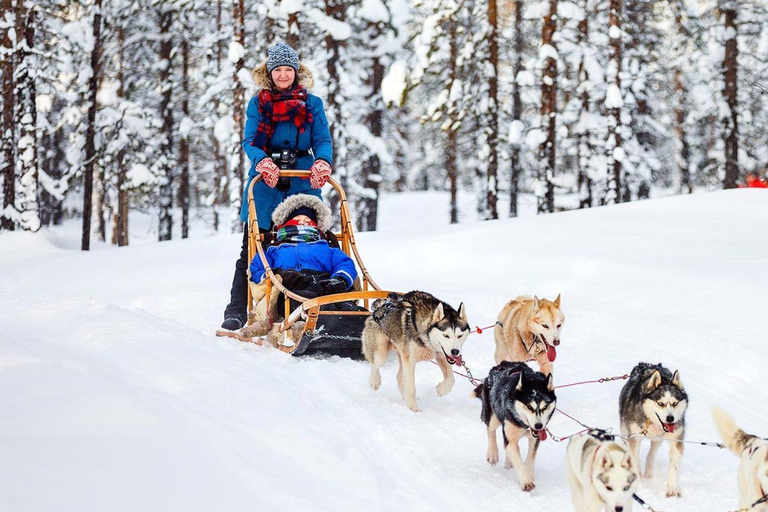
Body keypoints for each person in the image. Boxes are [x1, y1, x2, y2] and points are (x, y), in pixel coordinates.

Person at [221, 42, 334, 331]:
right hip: (265, 184)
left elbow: (322, 140)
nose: (283, 75)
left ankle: (313, 300)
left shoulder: (313, 104)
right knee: (253, 246)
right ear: (269, 73)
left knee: (310, 240)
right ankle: (237, 308)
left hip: (303, 179)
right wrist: (262, 161)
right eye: (278, 70)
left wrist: (322, 161)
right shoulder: (258, 103)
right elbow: (250, 141)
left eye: (288, 70)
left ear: (297, 72)